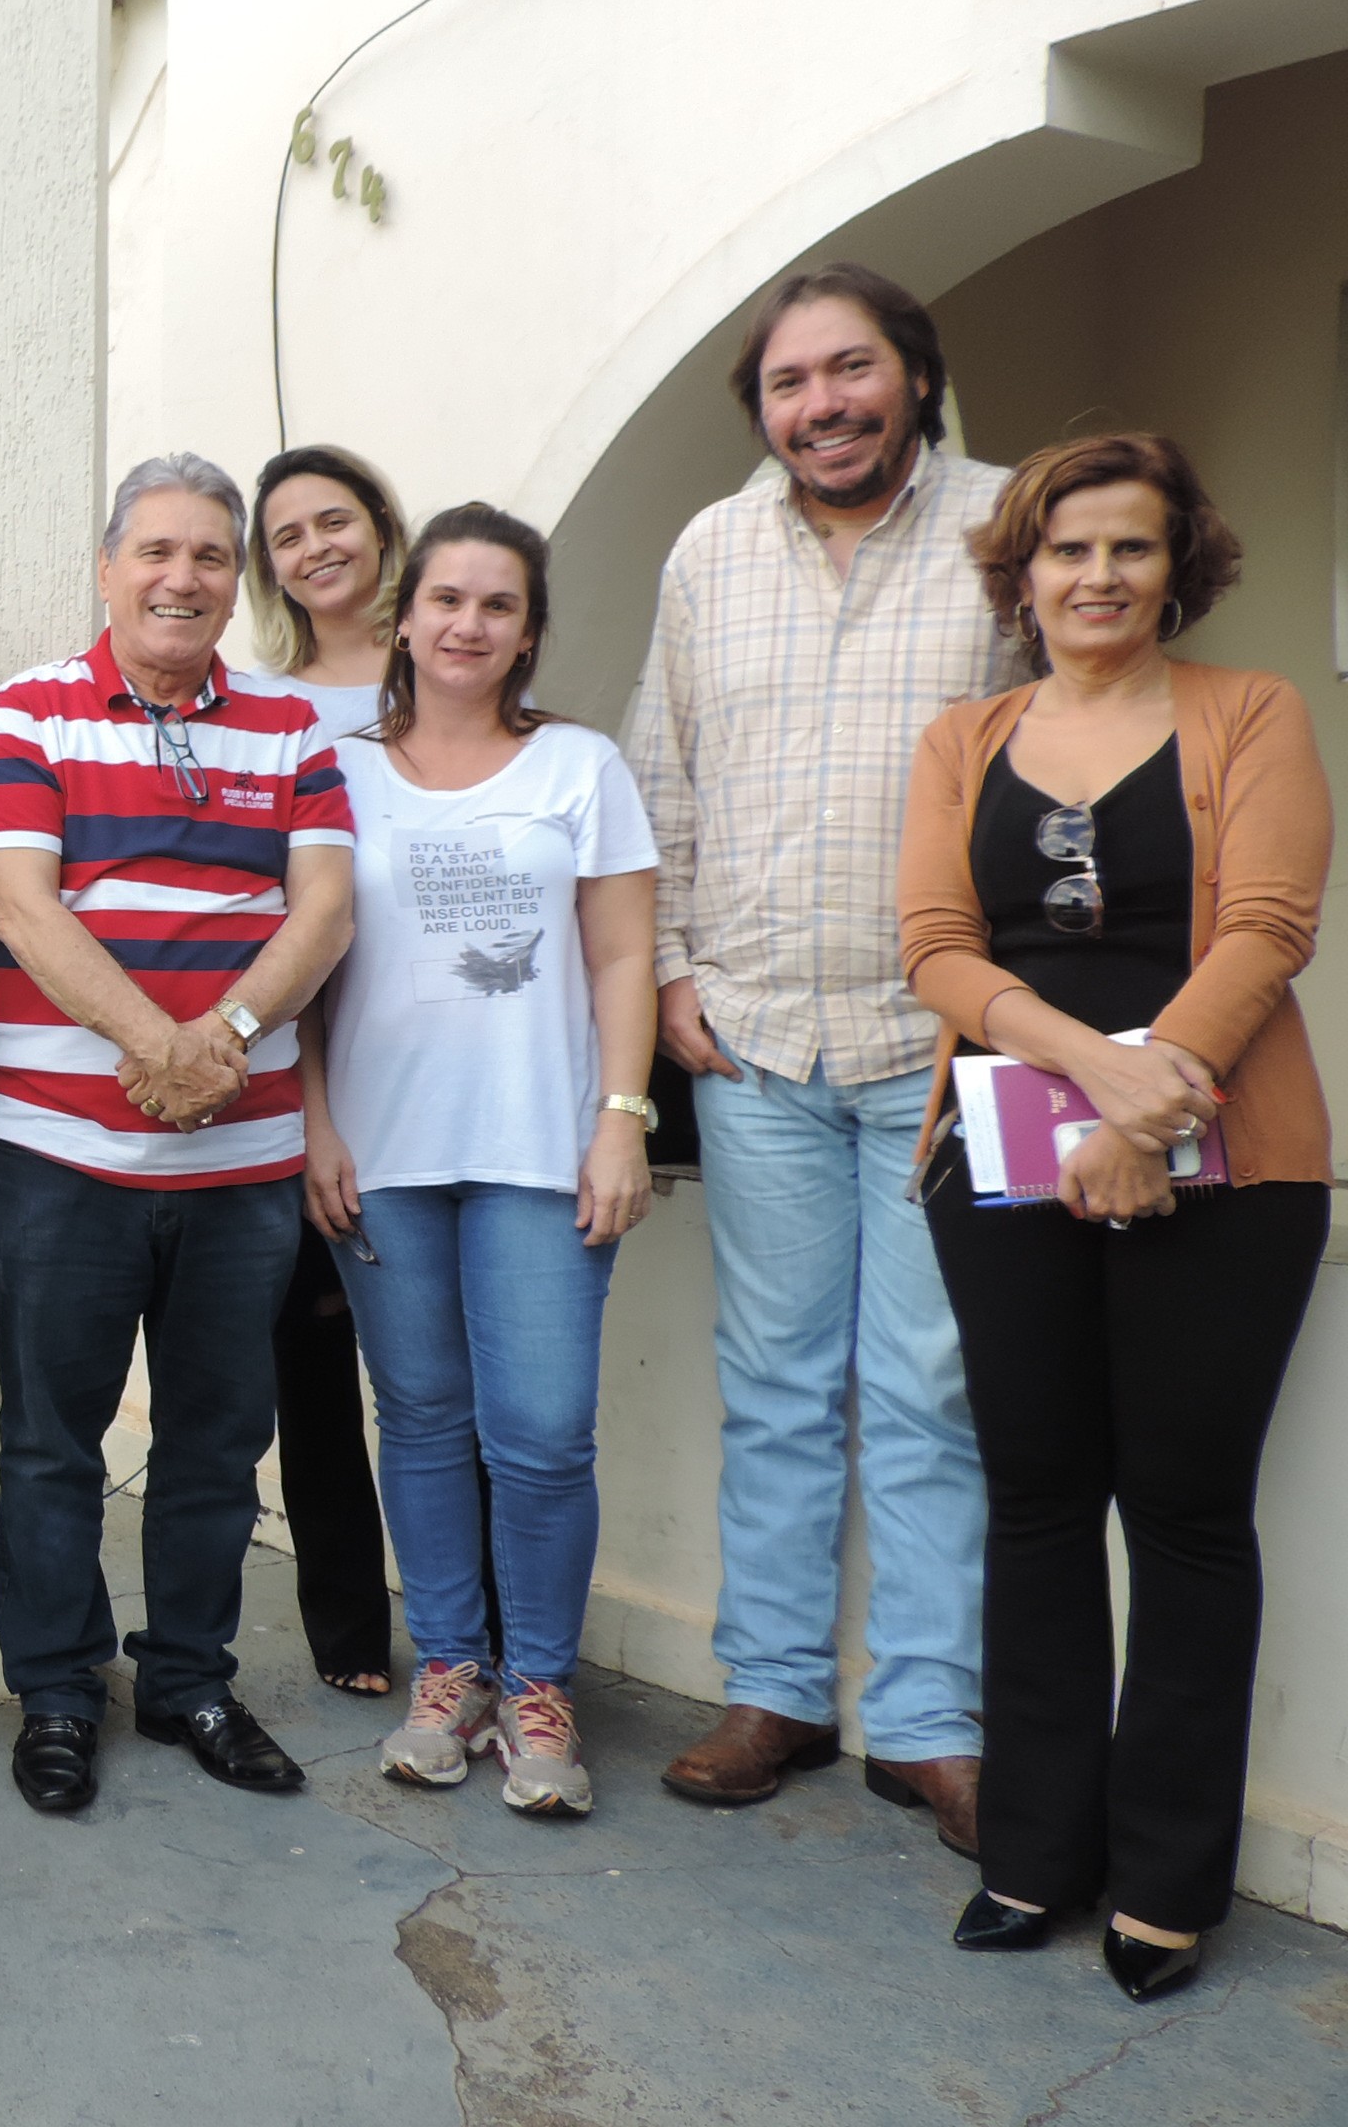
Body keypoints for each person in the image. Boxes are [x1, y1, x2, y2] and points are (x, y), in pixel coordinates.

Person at [897, 435, 1326, 2002]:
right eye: (1066, 551)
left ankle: (1164, 1881)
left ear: (1177, 566)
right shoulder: (966, 736)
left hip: (1234, 1167)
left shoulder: (1253, 711)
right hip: (1008, 1163)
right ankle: (1036, 1854)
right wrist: (1102, 1082)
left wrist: (1169, 1092)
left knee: (1189, 1518)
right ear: (1022, 574)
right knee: (1035, 1500)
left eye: (1129, 550)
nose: (1096, 577)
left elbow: (1274, 921)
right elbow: (938, 943)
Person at [620, 264, 1014, 1852]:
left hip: (940, 1042)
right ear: (764, 409)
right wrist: (667, 971)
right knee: (776, 1384)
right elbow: (663, 772)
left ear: (914, 376)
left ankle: (929, 1723)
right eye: (790, 384)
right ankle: (774, 1689)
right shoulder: (713, 551)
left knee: (932, 1385)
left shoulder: (1007, 530)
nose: (822, 405)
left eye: (851, 372)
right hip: (761, 1038)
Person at [0, 453, 355, 1818]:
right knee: (51, 1444)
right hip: (61, 1158)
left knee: (213, 1439)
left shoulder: (296, 728)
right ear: (108, 565)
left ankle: (191, 1676)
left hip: (239, 1166)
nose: (181, 578)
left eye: (207, 556)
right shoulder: (27, 714)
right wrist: (160, 1046)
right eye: (156, 552)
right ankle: (59, 1694)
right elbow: (21, 908)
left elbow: (323, 917)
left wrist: (223, 1047)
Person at [298, 507, 657, 1820]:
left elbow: (623, 953)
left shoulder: (579, 767)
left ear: (528, 632)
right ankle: (449, 1668)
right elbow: (309, 969)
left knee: (546, 1433)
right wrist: (316, 1123)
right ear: (403, 616)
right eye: (444, 598)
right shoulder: (339, 770)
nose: (466, 624)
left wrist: (622, 1114)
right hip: (383, 1152)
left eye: (496, 605)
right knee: (427, 1421)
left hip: (541, 1147)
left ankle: (541, 1682)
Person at [245, 445, 409, 1698]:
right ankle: (350, 1635)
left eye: (334, 521)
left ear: (381, 530)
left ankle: (487, 1637)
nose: (315, 549)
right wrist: (308, 1111)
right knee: (313, 1373)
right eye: (288, 534)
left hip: (441, 1078)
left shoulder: (455, 678)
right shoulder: (268, 708)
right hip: (314, 1077)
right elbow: (277, 929)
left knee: (444, 1385)